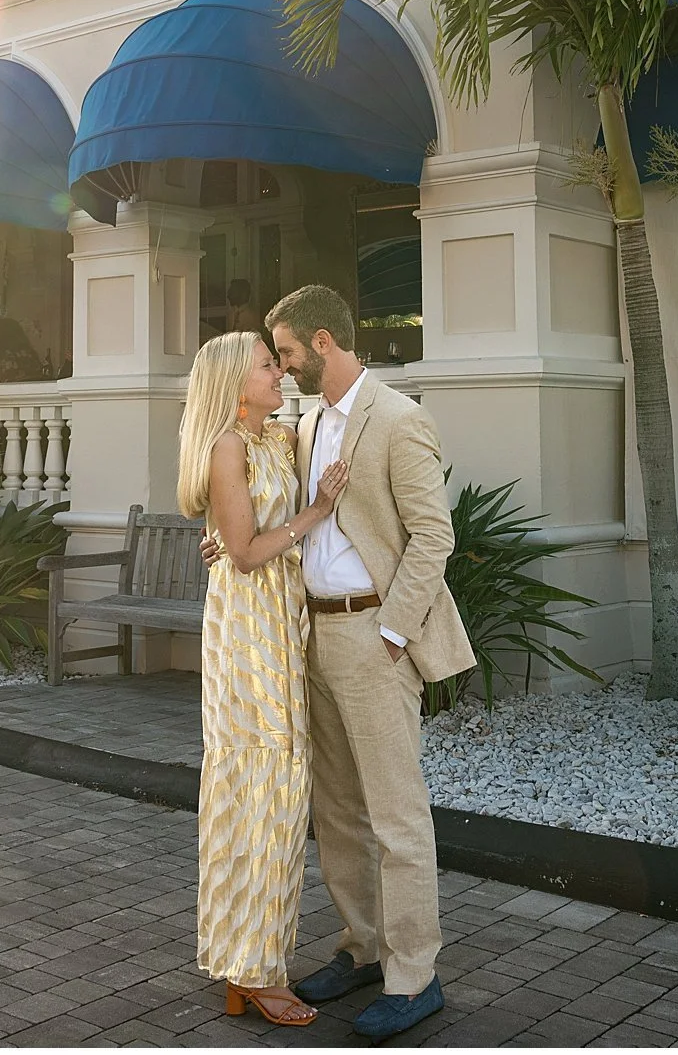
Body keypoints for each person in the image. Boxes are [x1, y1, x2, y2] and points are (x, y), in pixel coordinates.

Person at [218, 283, 475, 1041]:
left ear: (324, 341)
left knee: (396, 815)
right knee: (335, 814)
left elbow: (435, 538)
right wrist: (221, 540)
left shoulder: (398, 419)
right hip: (313, 636)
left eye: (289, 352)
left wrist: (393, 634)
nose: (284, 365)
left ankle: (413, 975)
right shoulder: (301, 426)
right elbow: (272, 514)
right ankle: (363, 947)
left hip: (373, 637)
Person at [178, 330, 351, 1028]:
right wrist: (315, 515)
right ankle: (252, 968)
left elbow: (239, 533)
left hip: (280, 621)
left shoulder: (278, 436)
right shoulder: (226, 445)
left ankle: (250, 958)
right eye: (265, 365)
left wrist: (237, 533)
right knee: (263, 786)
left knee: (277, 787)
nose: (278, 371)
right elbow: (245, 553)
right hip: (248, 628)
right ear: (232, 380)